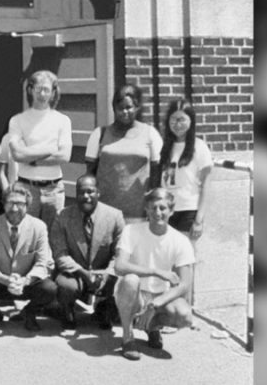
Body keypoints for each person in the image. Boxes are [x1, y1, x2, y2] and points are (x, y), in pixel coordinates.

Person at [114, 188, 195, 361]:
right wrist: (156, 271)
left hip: (158, 296)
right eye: (153, 208)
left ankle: (152, 327)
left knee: (185, 317)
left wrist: (155, 304)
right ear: (146, 209)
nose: (158, 213)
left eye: (163, 208)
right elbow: (119, 266)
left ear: (171, 211)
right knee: (130, 280)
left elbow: (185, 283)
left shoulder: (180, 241)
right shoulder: (131, 230)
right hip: (132, 293)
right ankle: (128, 337)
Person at [0, 183, 56, 332]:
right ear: (3, 204)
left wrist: (25, 280)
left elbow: (44, 263)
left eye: (20, 203)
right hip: (0, 281)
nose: (14, 208)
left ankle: (29, 313)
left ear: (28, 205)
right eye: (10, 203)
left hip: (26, 283)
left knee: (49, 288)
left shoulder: (39, 227)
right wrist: (5, 279)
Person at [50, 174, 125, 330]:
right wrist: (82, 272)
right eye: (81, 192)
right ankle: (67, 310)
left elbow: (119, 254)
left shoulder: (115, 216)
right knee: (66, 286)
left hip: (103, 272)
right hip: (75, 272)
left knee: (121, 280)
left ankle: (104, 309)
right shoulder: (62, 216)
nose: (86, 196)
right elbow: (60, 254)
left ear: (98, 192)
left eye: (90, 191)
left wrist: (106, 273)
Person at [84, 83, 163, 222]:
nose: (125, 112)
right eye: (120, 108)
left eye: (129, 107)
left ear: (137, 107)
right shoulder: (100, 134)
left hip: (139, 211)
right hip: (105, 210)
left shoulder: (150, 134)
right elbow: (90, 174)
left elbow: (157, 174)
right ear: (114, 108)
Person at [7, 70, 73, 229]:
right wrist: (50, 148)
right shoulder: (17, 120)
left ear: (53, 92)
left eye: (46, 90)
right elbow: (17, 154)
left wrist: (32, 159)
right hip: (26, 188)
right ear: (30, 90)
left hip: (53, 190)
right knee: (26, 234)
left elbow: (64, 156)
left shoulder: (62, 121)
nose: (42, 94)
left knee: (54, 235)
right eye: (38, 89)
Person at [159, 98, 213, 250]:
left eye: (182, 119)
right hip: (167, 209)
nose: (177, 124)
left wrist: (198, 220)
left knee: (184, 256)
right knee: (168, 256)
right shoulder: (166, 147)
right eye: (173, 119)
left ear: (191, 121)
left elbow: (206, 186)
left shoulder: (199, 147)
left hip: (188, 210)